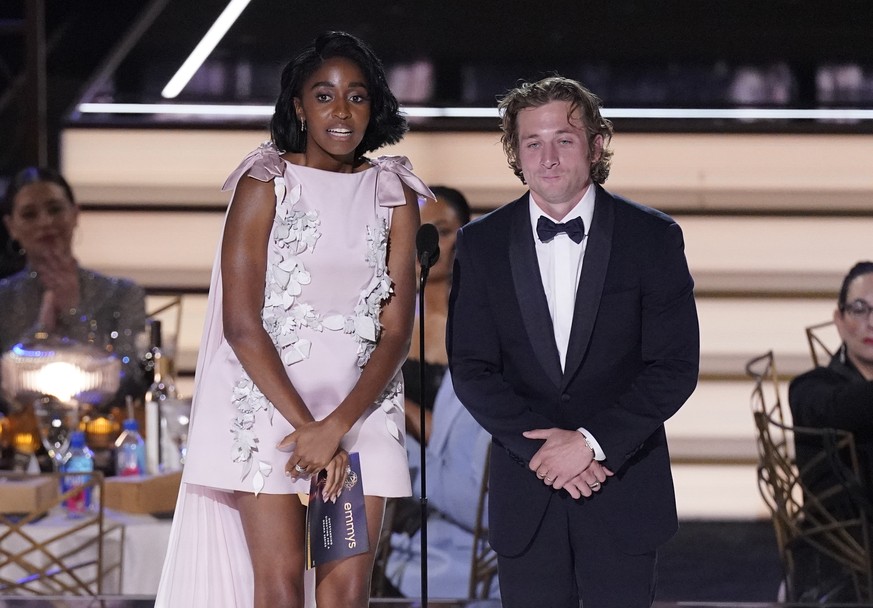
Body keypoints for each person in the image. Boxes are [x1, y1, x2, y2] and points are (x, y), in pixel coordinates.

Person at [155, 31, 432, 608]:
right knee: (279, 589)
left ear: (374, 107)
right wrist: (308, 428)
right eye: (324, 95)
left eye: (357, 97)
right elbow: (241, 325)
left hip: (359, 410)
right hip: (268, 408)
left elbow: (397, 329)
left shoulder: (394, 192)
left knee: (345, 592)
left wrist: (334, 430)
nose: (341, 110)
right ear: (298, 107)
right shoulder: (265, 183)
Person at [447, 75, 700, 607]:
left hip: (622, 482)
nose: (549, 157)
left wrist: (589, 443)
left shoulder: (652, 237)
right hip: (528, 491)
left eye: (564, 138)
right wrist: (546, 452)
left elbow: (673, 365)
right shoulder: (480, 243)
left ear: (596, 144)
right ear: (515, 153)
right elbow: (471, 367)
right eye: (532, 143)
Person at [0, 167, 146, 405]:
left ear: (75, 214)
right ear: (11, 227)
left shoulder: (121, 293)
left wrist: (74, 313)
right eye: (29, 214)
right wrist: (40, 331)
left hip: (104, 431)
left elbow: (130, 380)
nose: (46, 222)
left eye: (55, 209)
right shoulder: (4, 299)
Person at [787, 261, 873, 601]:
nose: (871, 322)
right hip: (839, 573)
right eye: (859, 308)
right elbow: (841, 407)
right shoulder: (811, 388)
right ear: (839, 320)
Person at [386, 370, 497, 598]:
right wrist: (393, 409)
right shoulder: (465, 360)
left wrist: (395, 450)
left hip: (465, 569)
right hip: (418, 544)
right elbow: (452, 444)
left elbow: (487, 510)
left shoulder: (516, 384)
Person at [402, 186, 470, 444]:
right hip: (396, 467)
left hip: (463, 474)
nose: (427, 244)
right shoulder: (386, 318)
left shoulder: (479, 321)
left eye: (441, 231)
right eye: (417, 232)